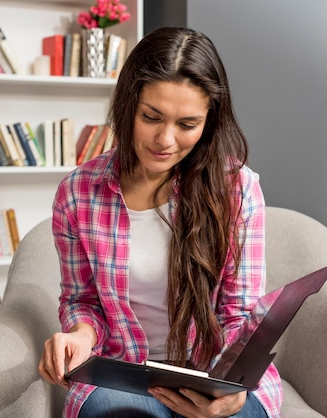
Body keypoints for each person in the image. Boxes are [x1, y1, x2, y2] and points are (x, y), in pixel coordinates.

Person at [38, 26, 283, 418]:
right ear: (128, 104)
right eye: (151, 117)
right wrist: (81, 336)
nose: (165, 140)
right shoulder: (78, 194)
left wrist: (230, 390)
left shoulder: (237, 189)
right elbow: (82, 300)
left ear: (209, 122)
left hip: (217, 374)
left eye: (187, 125)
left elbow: (239, 314)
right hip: (125, 374)